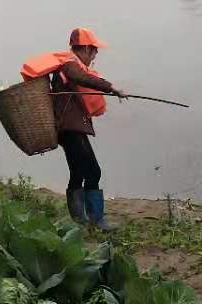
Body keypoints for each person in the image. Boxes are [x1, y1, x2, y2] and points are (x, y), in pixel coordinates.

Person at [20, 28, 125, 229]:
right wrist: (111, 88)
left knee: (77, 171)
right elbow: (81, 77)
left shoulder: (66, 65)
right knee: (93, 171)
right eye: (94, 51)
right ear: (85, 48)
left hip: (66, 128)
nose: (94, 56)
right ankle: (96, 219)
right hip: (70, 129)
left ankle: (80, 220)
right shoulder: (69, 64)